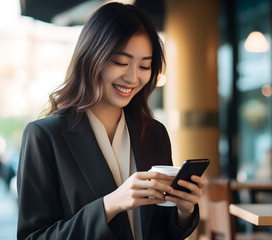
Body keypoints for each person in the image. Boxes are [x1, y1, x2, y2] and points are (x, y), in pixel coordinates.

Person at [17, 2, 204, 240]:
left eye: (144, 66)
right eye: (121, 63)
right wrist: (109, 205)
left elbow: (160, 230)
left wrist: (184, 210)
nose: (133, 78)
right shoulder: (44, 136)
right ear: (91, 57)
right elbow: (33, 237)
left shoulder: (154, 133)